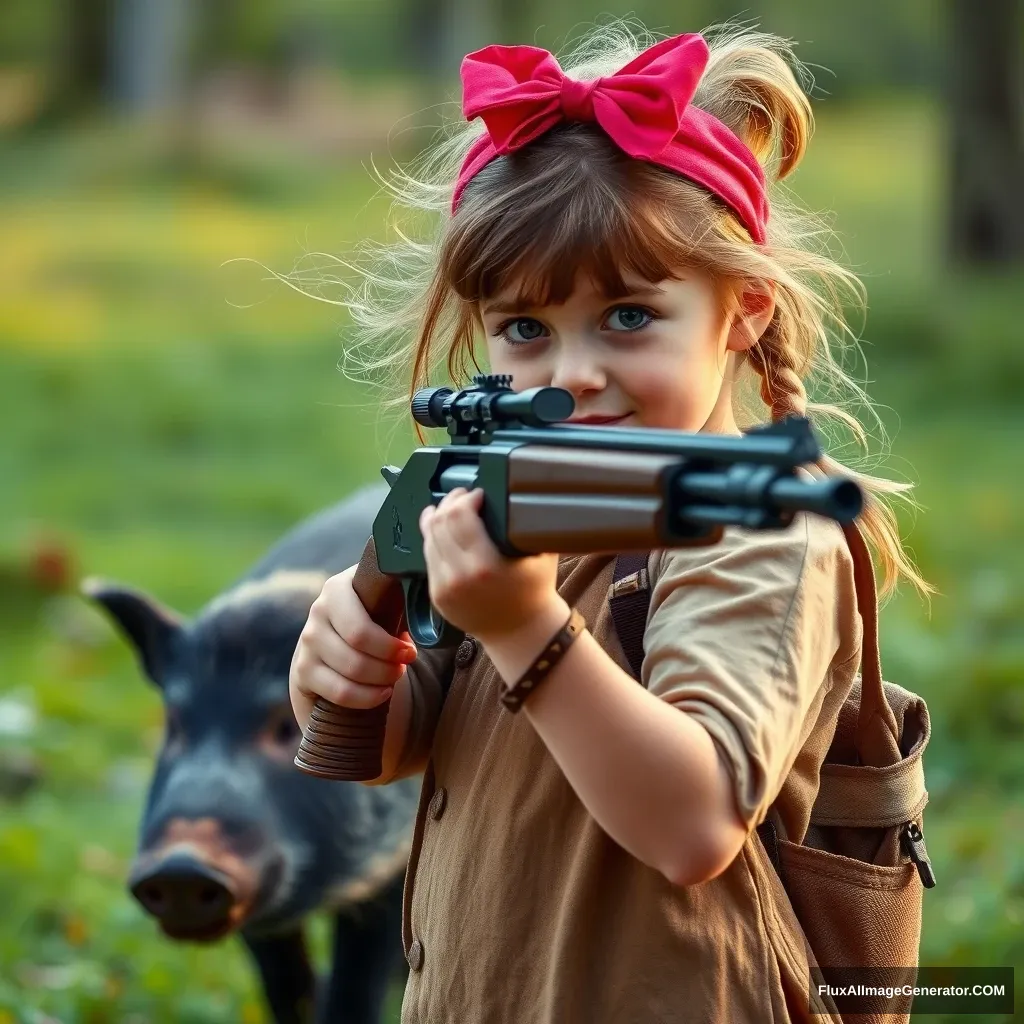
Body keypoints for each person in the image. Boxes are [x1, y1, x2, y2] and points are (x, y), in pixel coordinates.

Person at [289, 20, 932, 1023]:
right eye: (524, 329)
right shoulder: (509, 502)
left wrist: (523, 626)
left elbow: (692, 823)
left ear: (745, 310)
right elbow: (414, 746)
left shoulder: (754, 525)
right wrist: (345, 668)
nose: (573, 374)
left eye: (628, 316)